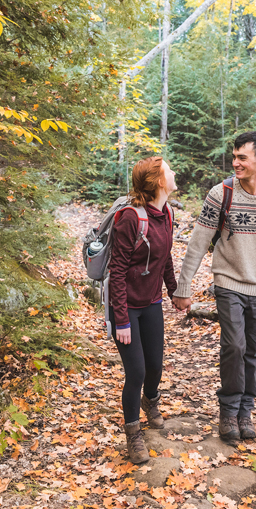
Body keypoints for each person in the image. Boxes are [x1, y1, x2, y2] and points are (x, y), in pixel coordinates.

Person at [172, 131, 256, 443]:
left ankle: (245, 411)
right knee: (234, 346)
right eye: (234, 157)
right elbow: (198, 242)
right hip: (228, 281)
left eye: (242, 157)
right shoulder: (221, 193)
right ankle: (228, 411)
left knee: (252, 352)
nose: (235, 163)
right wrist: (183, 286)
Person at [108, 156, 178, 464]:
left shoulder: (167, 214)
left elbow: (166, 258)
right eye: (169, 170)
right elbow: (118, 270)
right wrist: (121, 320)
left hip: (151, 303)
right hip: (125, 309)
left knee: (155, 367)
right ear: (160, 182)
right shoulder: (130, 219)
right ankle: (133, 434)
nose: (174, 173)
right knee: (135, 371)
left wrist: (176, 292)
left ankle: (152, 400)